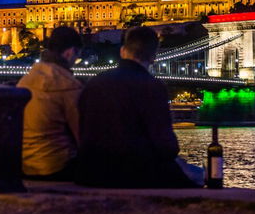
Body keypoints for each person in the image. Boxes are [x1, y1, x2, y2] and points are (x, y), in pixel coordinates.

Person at [76, 26, 201, 188]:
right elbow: (167, 146)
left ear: (122, 51)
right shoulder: (153, 87)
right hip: (133, 174)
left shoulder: (95, 82)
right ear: (154, 57)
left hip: (90, 172)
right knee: (198, 174)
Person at [17, 26, 83, 180]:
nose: (75, 62)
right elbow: (82, 135)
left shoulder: (26, 79)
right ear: (70, 52)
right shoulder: (68, 84)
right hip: (56, 167)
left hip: (25, 165)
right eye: (77, 57)